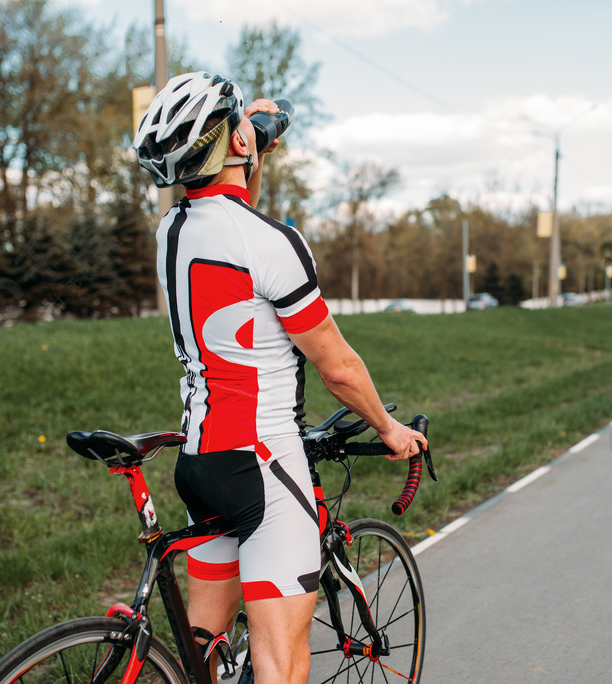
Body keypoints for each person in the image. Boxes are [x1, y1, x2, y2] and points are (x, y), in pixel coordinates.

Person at [133, 72, 427, 684]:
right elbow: (339, 368)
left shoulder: (172, 233)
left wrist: (251, 146)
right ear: (236, 143)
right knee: (281, 660)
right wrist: (390, 428)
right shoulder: (276, 244)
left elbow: (234, 215)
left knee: (203, 647)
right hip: (263, 465)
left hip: (200, 462)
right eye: (241, 123)